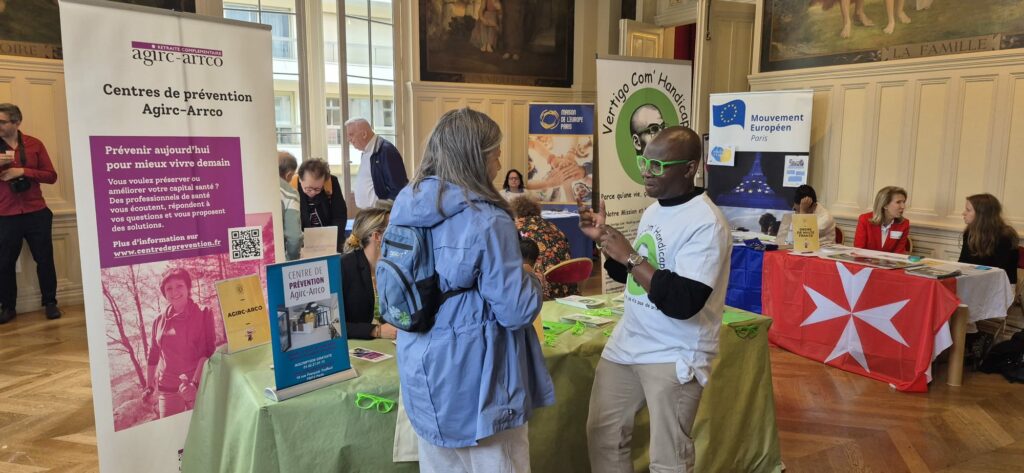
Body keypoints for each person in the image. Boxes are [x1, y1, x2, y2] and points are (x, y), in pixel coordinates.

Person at [389, 107, 553, 473]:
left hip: (420, 361)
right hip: (478, 372)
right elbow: (516, 310)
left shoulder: (406, 203)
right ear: (476, 157)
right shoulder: (489, 219)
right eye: (495, 153)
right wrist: (531, 275)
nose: (498, 163)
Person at [579, 125, 730, 473]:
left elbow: (684, 301)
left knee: (669, 459)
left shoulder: (706, 222)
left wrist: (631, 256)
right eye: (644, 163)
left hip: (675, 351)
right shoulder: (654, 210)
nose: (646, 173)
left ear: (690, 168)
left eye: (657, 166)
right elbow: (631, 277)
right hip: (629, 343)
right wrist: (606, 240)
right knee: (604, 434)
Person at [0, 103, 61, 324]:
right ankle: (7, 307)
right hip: (5, 214)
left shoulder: (35, 144)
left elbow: (51, 175)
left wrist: (22, 171)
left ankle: (50, 302)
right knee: (4, 263)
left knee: (45, 259)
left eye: (2, 122)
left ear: (16, 122)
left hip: (36, 211)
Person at [144, 268, 216, 418]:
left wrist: (194, 384)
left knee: (201, 432)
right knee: (171, 434)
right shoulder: (158, 320)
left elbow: (207, 352)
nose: (174, 291)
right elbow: (153, 355)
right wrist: (149, 386)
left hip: (196, 387)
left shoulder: (203, 313)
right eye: (168, 288)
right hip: (167, 390)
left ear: (188, 287)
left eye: (179, 286)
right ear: (164, 293)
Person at [341, 202, 399, 340]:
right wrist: (375, 331)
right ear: (377, 236)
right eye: (394, 230)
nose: (400, 234)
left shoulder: (393, 266)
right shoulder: (344, 267)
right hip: (357, 347)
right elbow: (332, 325)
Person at [510, 195, 577, 299]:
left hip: (542, 287)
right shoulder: (552, 225)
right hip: (567, 283)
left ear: (515, 212)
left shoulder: (517, 227)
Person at [345, 118, 408, 209]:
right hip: (369, 213)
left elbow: (398, 187)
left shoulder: (386, 151)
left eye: (351, 134)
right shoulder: (366, 151)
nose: (348, 139)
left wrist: (386, 213)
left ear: (364, 134)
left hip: (380, 214)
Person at [959, 193, 1019, 285]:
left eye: (968, 210)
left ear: (982, 214)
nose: (963, 213)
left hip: (1000, 287)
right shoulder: (969, 233)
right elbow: (963, 263)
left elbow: (999, 273)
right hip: (975, 281)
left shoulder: (1005, 236)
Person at [293, 158, 347, 253]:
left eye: (318, 189)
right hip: (303, 244)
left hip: (330, 242)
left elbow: (339, 216)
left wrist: (331, 242)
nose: (313, 193)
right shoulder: (293, 187)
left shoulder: (331, 183)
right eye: (308, 189)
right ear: (300, 179)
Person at [854, 186, 910, 254]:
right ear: (885, 205)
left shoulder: (904, 224)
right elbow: (858, 250)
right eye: (898, 202)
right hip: (865, 262)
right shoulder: (865, 220)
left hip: (890, 264)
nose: (903, 206)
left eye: (903, 202)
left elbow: (899, 252)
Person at [278, 151, 302, 261]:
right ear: (289, 175)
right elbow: (294, 237)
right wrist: (292, 259)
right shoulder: (290, 193)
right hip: (278, 255)